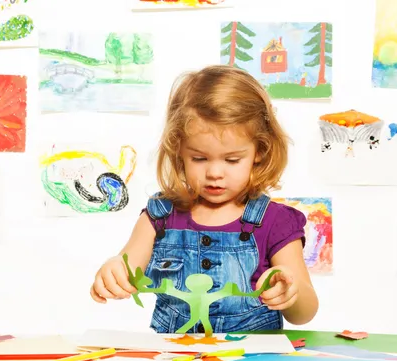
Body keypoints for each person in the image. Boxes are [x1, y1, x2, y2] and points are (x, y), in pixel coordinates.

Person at [90, 65, 319, 334]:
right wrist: (113, 270)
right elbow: (127, 268)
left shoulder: (274, 221)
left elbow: (305, 314)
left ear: (260, 151)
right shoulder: (160, 217)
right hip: (175, 360)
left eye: (232, 160)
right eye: (199, 158)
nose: (214, 173)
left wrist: (289, 290)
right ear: (179, 151)